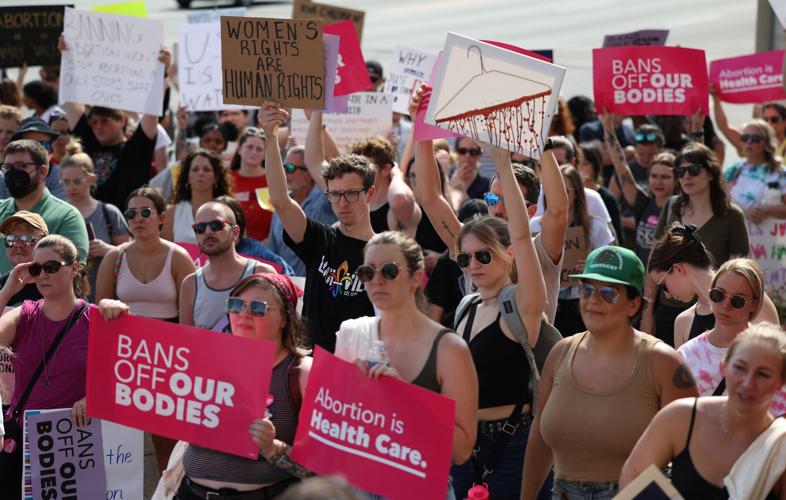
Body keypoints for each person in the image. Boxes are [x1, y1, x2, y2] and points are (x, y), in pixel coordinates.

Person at [521, 245, 699, 500]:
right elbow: (539, 436)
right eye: (588, 289)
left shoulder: (664, 363)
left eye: (608, 293)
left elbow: (690, 455)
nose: (593, 300)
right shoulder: (560, 353)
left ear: (633, 305)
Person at [335, 231, 478, 500]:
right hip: (359, 487)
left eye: (389, 270)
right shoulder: (351, 334)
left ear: (415, 277)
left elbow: (461, 450)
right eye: (367, 272)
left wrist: (405, 397)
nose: (376, 281)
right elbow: (339, 431)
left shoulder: (450, 349)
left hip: (420, 488)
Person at [410, 84, 569, 324]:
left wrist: (540, 138)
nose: (498, 209)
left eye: (510, 201)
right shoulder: (471, 245)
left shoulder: (541, 250)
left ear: (532, 210)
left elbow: (558, 210)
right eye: (493, 199)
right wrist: (421, 126)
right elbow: (430, 197)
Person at [179, 273, 312, 499]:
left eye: (258, 308)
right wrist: (114, 316)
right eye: (236, 305)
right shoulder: (204, 359)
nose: (244, 315)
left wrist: (273, 449)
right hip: (190, 493)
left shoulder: (302, 372)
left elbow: (322, 467)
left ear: (284, 318)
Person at [620, 323, 786, 499]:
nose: (748, 383)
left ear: (781, 382)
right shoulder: (680, 417)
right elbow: (633, 475)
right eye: (740, 368)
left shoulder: (780, 446)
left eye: (763, 374)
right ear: (724, 368)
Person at [95, 187, 195, 472]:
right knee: (121, 438)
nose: (137, 218)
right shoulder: (115, 257)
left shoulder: (178, 257)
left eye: (145, 212)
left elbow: (190, 315)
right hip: (125, 356)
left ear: (162, 218)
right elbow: (98, 306)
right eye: (131, 213)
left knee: (167, 441)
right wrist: (110, 304)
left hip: (167, 357)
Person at [261, 103, 375, 352]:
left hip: (360, 368)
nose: (342, 203)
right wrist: (270, 137)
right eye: (334, 195)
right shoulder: (320, 239)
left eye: (352, 194)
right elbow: (280, 201)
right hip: (311, 362)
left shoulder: (384, 252)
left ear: (371, 193)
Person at [0, 235, 90, 500]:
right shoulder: (24, 313)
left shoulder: (95, 317)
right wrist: (8, 290)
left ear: (74, 268)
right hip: (25, 441)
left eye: (51, 267)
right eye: (35, 269)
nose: (42, 275)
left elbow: (120, 377)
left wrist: (93, 396)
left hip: (76, 440)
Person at [642, 142, 749, 344]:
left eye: (693, 170)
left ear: (710, 173)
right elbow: (655, 259)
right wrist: (648, 310)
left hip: (716, 309)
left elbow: (741, 270)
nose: (686, 176)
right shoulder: (671, 206)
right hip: (669, 308)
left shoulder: (732, 215)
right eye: (680, 171)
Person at [676, 259, 786, 415]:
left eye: (737, 300)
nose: (725, 304)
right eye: (718, 294)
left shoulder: (770, 356)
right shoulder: (686, 355)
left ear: (754, 304)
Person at [648, 224, 779, 348]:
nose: (667, 295)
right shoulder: (683, 322)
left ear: (677, 269)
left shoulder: (748, 298)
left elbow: (776, 358)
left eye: (663, 285)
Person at [179, 201, 277, 331]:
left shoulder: (262, 273)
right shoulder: (190, 284)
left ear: (235, 232)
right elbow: (186, 341)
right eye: (200, 228)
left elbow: (277, 329)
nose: (208, 232)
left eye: (216, 225)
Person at [0, 140, 88, 274]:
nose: (13, 173)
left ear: (42, 171)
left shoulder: (66, 217)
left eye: (21, 166)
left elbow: (74, 273)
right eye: (8, 167)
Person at [601, 115, 676, 263]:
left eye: (665, 177)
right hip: (642, 271)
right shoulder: (643, 202)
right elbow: (621, 167)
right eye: (654, 176)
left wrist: (697, 131)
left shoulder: (682, 207)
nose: (658, 182)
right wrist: (608, 130)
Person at [59, 152, 130, 303]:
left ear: (92, 179)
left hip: (106, 300)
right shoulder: (59, 215)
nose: (71, 187)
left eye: (77, 181)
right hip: (67, 299)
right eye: (66, 182)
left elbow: (132, 254)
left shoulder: (108, 212)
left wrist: (107, 250)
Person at [554, 165, 616, 337]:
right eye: (553, 189)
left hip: (583, 303)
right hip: (550, 306)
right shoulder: (537, 226)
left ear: (577, 193)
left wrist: (592, 267)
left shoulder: (595, 226)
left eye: (565, 190)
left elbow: (613, 263)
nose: (558, 195)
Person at [266, 145, 337, 277]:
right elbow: (273, 252)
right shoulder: (280, 205)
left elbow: (332, 166)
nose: (285, 173)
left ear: (309, 174)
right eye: (284, 168)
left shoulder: (325, 201)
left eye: (291, 168)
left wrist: (317, 125)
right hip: (287, 285)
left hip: (318, 287)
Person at [161, 149, 232, 244]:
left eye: (206, 169)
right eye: (195, 169)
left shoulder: (227, 210)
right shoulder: (172, 212)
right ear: (188, 177)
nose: (200, 173)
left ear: (216, 178)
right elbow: (166, 251)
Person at [722, 119, 786, 224]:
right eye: (745, 138)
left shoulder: (780, 173)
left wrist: (767, 210)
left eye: (755, 138)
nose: (749, 142)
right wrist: (744, 212)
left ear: (767, 143)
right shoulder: (732, 171)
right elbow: (719, 204)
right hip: (737, 237)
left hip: (771, 238)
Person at [215, 195, 295, 275]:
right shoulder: (206, 251)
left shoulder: (256, 252)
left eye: (216, 225)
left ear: (236, 228)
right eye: (202, 226)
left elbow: (288, 275)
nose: (208, 231)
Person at [5, 116, 67, 200]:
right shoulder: (4, 175)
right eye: (31, 145)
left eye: (44, 144)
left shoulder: (60, 175)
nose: (39, 149)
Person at [230, 127, 273, 241]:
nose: (253, 152)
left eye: (259, 149)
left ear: (265, 154)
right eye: (249, 147)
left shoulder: (274, 180)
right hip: (231, 245)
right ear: (239, 149)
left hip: (266, 245)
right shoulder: (227, 179)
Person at [578, 143, 623, 243]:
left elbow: (616, 235)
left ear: (596, 166)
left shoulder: (607, 198)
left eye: (585, 163)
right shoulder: (571, 195)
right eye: (578, 163)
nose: (580, 168)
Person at [0, 212, 47, 306]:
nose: (18, 245)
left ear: (44, 243)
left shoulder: (57, 281)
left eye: (27, 239)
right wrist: (6, 293)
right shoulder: (1, 284)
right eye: (11, 239)